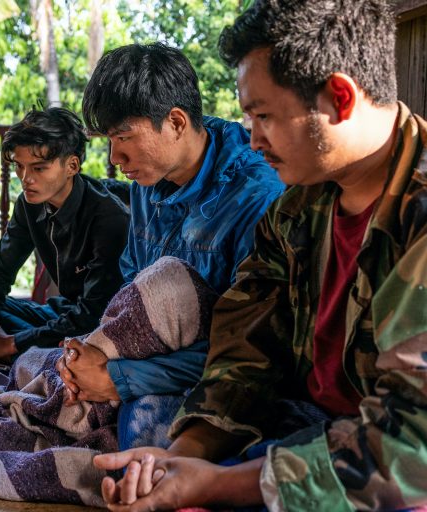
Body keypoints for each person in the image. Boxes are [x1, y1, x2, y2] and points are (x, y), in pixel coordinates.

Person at [94, 1, 427, 510]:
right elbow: (246, 350)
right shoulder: (297, 209)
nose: (252, 139)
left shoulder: (418, 216)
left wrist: (212, 484)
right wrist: (181, 460)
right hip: (306, 431)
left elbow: (409, 450)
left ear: (339, 97)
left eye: (264, 115)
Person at [57, 43, 283, 439]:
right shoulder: (149, 180)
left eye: (124, 137)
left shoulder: (256, 197)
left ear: (176, 122)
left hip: (227, 376)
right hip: (150, 359)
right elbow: (136, 295)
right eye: (108, 140)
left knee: (141, 436)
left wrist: (120, 378)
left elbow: (256, 348)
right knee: (47, 371)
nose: (114, 158)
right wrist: (93, 359)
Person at [0, 107, 129, 361]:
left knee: (92, 339)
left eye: (39, 168)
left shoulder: (108, 216)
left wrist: (12, 343)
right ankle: (39, 349)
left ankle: (27, 350)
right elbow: (1, 271)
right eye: (20, 167)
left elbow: (95, 312)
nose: (25, 179)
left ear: (72, 165)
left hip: (103, 322)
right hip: (64, 314)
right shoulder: (29, 204)